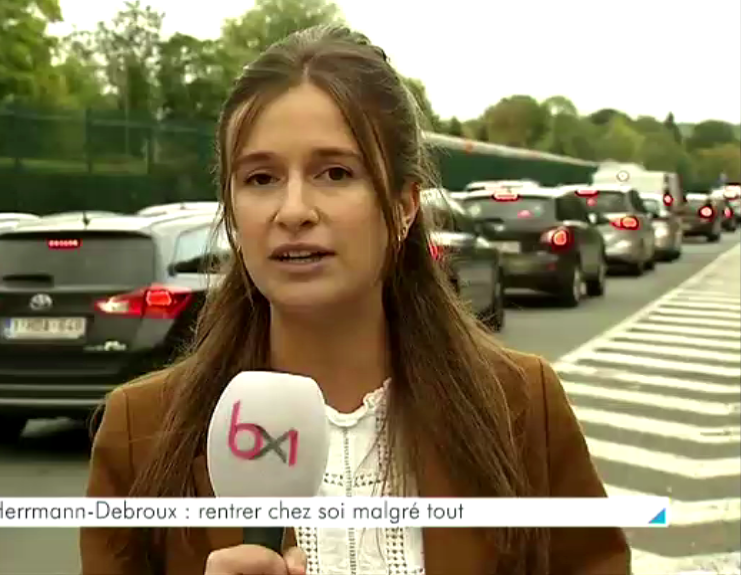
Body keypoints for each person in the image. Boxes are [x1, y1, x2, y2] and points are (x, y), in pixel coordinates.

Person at [80, 25, 629, 575]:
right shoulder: (141, 430)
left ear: (404, 206)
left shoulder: (521, 406)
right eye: (261, 178)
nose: (294, 211)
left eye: (335, 173)